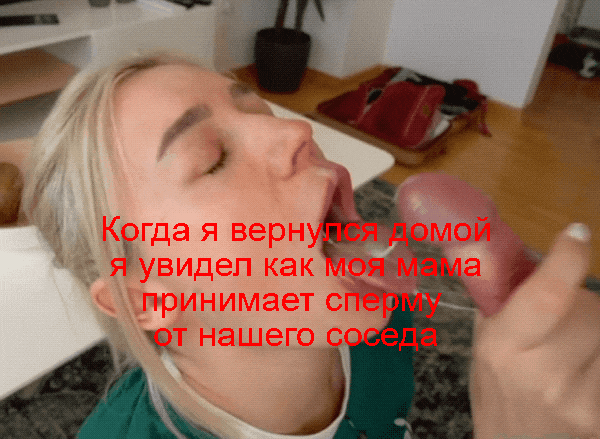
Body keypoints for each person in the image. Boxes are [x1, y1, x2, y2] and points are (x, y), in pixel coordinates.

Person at [22, 51, 599, 438]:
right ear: (145, 296)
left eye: (259, 109)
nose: (296, 129)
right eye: (212, 159)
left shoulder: (384, 322)